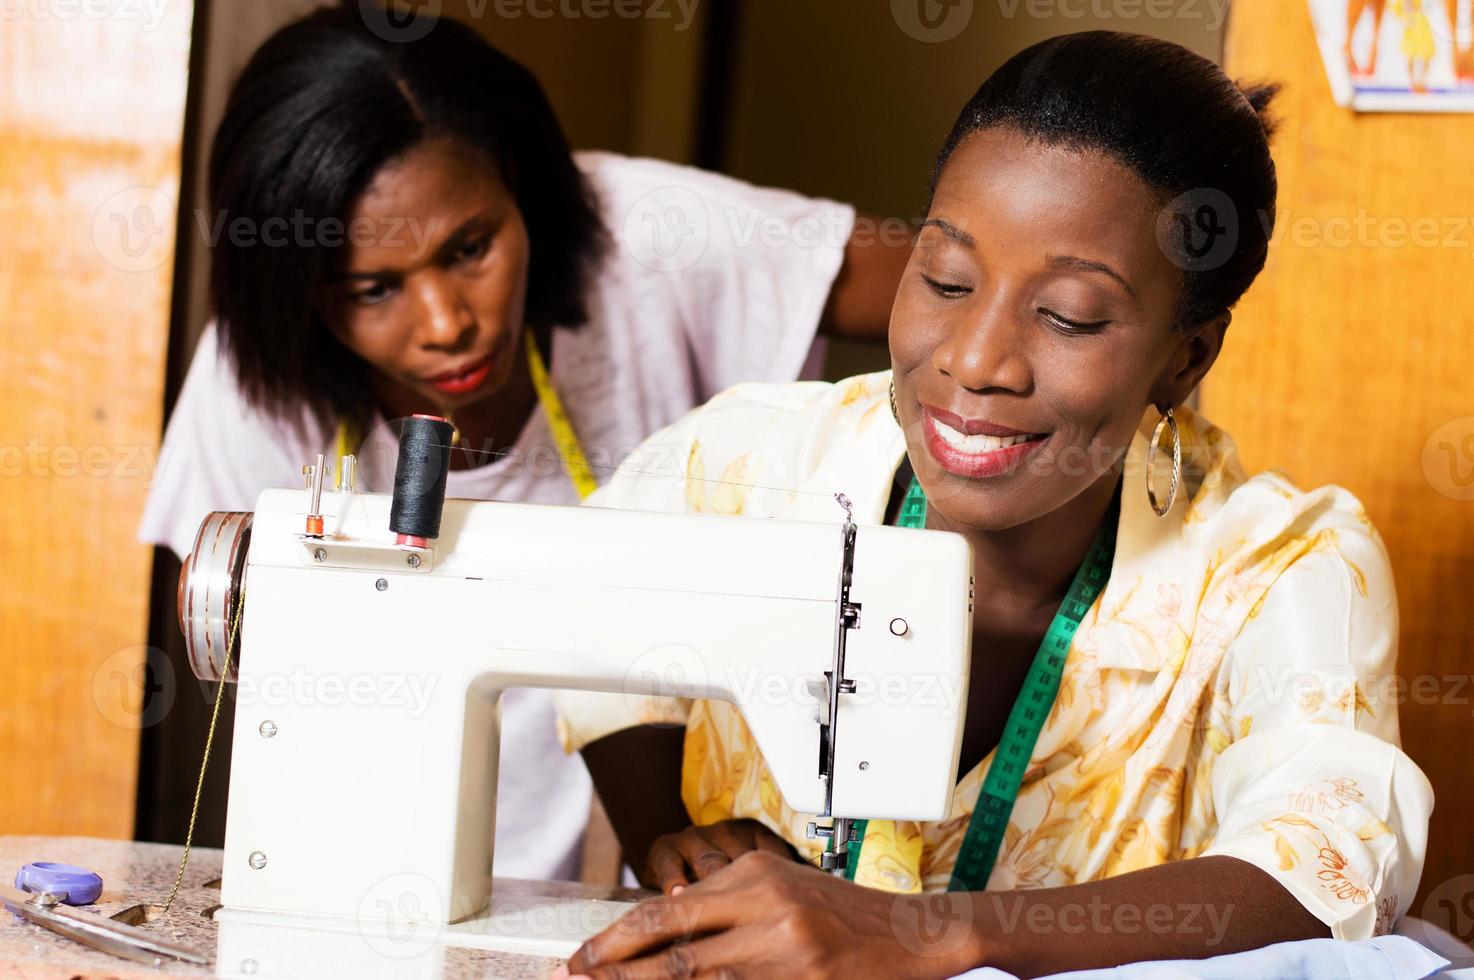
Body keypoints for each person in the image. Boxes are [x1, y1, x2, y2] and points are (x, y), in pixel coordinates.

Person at [553, 31, 1433, 977]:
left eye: (1069, 316)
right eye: (946, 280)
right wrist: (671, 837)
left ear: (1187, 359)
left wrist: (920, 934)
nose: (973, 360)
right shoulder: (746, 462)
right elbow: (592, 650)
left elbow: (1326, 865)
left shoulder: (1280, 564)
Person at [138, 7, 909, 883]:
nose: (448, 324)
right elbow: (239, 625)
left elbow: (954, 288)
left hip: (649, 849)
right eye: (372, 287)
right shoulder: (258, 375)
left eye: (471, 248)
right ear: (300, 289)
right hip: (369, 864)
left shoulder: (648, 236)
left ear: (512, 176)